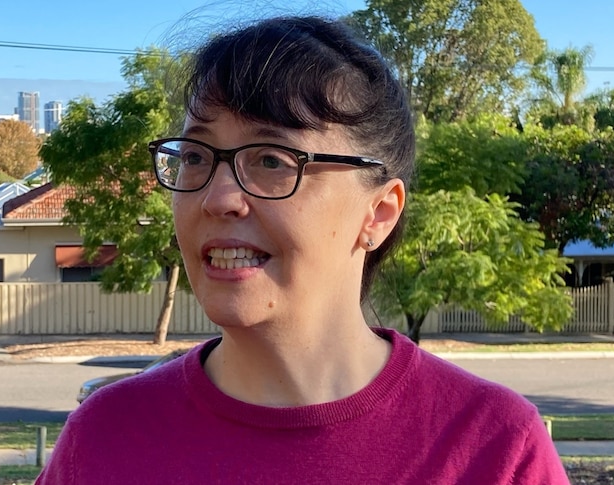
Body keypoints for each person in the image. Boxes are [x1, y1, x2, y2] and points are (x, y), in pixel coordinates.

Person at [36, 15, 568, 484]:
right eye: (196, 156)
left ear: (378, 214)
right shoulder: (106, 440)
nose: (218, 198)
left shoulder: (494, 449)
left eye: (271, 160)